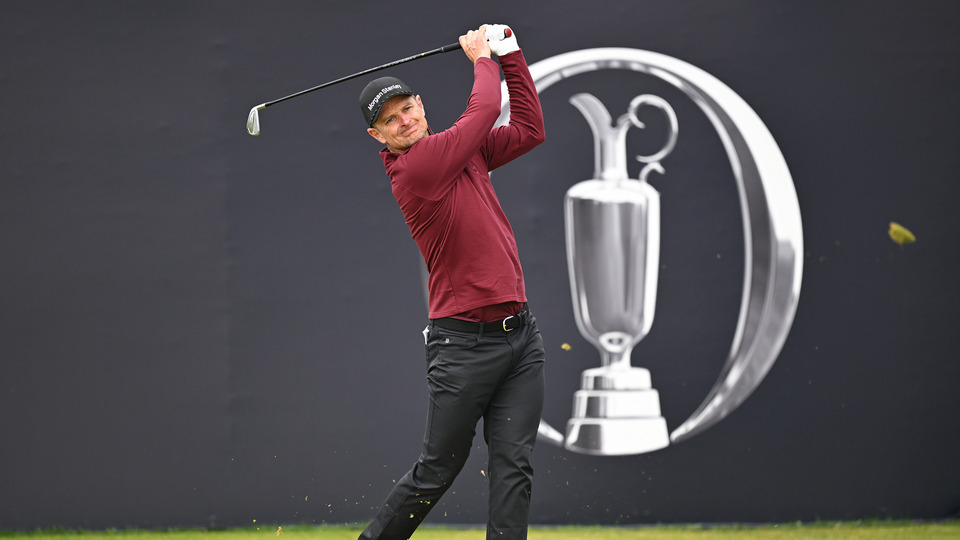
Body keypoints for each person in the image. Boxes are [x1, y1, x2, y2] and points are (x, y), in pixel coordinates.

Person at [356, 24, 546, 540]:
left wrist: (511, 56)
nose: (404, 121)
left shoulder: (461, 153)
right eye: (389, 121)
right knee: (436, 470)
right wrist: (484, 58)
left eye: (407, 108)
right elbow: (483, 112)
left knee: (513, 469)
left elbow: (529, 130)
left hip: (520, 338)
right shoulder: (415, 169)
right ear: (379, 136)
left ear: (420, 103)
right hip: (463, 346)